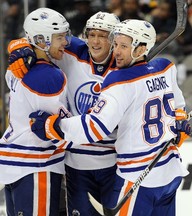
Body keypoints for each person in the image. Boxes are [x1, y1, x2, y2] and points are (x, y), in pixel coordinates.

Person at [29, 19, 191, 216]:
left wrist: (53, 126)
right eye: (116, 45)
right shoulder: (165, 68)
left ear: (141, 50)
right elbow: (178, 105)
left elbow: (95, 127)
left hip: (137, 174)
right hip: (169, 171)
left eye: (123, 46)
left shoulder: (119, 80)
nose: (116, 52)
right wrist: (180, 121)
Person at [7, 11, 121, 216]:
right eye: (91, 34)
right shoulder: (70, 53)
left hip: (113, 161)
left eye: (103, 35)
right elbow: (40, 37)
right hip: (68, 161)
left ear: (115, 39)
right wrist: (18, 45)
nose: (95, 41)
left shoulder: (126, 64)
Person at [0, 8, 71, 215]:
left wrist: (18, 43)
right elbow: (57, 131)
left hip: (14, 162)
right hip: (37, 165)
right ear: (42, 40)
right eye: (60, 37)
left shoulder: (16, 66)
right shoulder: (48, 77)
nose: (65, 42)